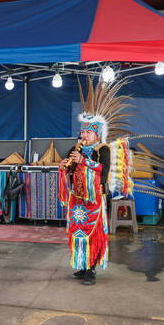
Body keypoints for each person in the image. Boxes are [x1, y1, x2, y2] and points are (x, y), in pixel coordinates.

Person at [59, 114, 110, 285]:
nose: (84, 135)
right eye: (82, 132)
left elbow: (103, 170)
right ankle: (82, 264)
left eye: (88, 132)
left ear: (97, 134)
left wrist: (84, 161)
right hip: (77, 198)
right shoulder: (77, 148)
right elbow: (71, 170)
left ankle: (91, 269)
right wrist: (64, 167)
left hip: (94, 198)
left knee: (92, 233)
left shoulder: (103, 149)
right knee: (78, 231)